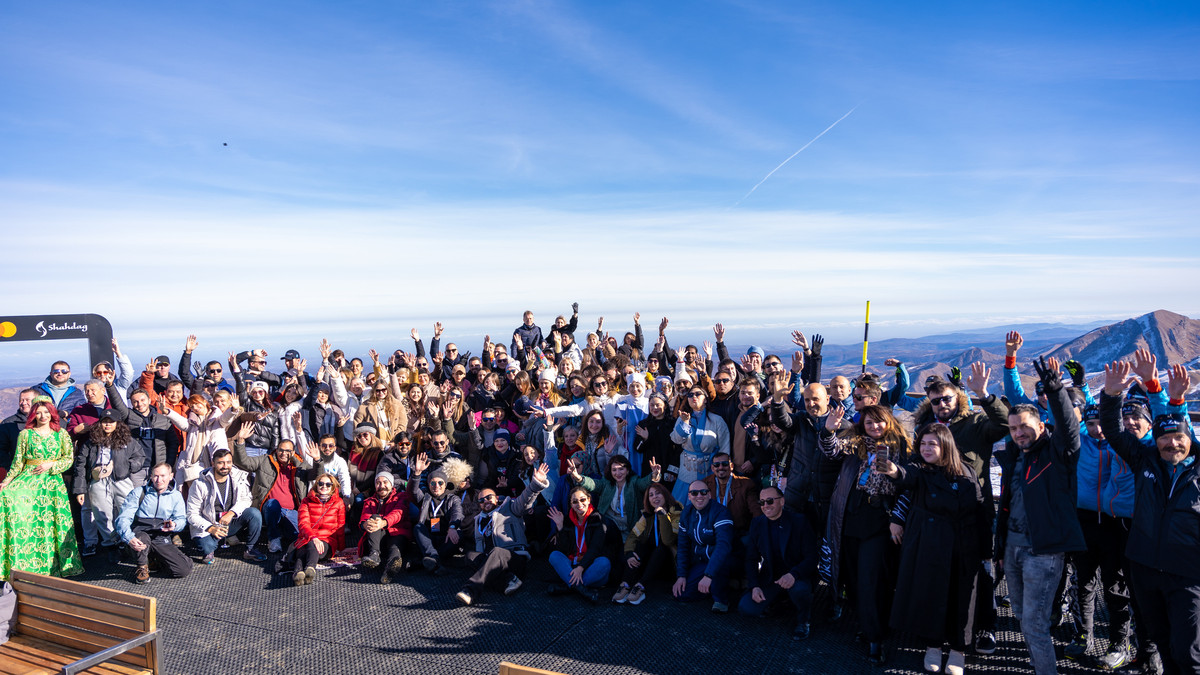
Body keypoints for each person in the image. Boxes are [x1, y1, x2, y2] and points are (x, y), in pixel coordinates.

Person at [1100, 361, 1200, 675]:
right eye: (1164, 438)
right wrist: (1111, 395)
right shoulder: (1145, 461)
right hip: (1144, 567)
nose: (1172, 442)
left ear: (1190, 438)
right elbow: (1114, 431)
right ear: (1154, 442)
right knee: (1161, 640)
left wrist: (1174, 399)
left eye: (1178, 437)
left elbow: (1177, 423)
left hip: (1188, 574)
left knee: (1189, 654)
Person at [995, 357, 1085, 675]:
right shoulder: (1016, 457)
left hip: (1043, 551)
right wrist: (1002, 550)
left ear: (1042, 426)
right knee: (1022, 616)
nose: (1019, 433)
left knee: (1034, 623)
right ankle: (1038, 663)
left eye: (1025, 427)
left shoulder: (1056, 454)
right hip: (1015, 548)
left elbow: (1070, 429)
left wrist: (1055, 387)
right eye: (1014, 428)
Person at [878, 424, 990, 675]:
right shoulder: (921, 470)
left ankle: (959, 650)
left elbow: (982, 511)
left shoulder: (967, 472)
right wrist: (892, 469)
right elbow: (905, 475)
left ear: (946, 445)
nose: (926, 449)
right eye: (923, 444)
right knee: (930, 594)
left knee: (962, 598)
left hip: (964, 545)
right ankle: (933, 646)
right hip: (930, 544)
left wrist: (987, 551)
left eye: (933, 444)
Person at [819, 404, 912, 664]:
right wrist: (829, 430)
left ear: (889, 422)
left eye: (879, 422)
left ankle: (876, 638)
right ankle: (866, 624)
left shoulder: (903, 449)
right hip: (850, 517)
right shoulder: (856, 445)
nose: (874, 427)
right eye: (869, 423)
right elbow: (830, 450)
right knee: (854, 577)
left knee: (873, 579)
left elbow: (908, 488)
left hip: (880, 520)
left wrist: (897, 519)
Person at [0, 398, 83, 579]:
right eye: (38, 412)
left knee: (52, 523)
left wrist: (51, 465)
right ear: (33, 415)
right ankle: (23, 563)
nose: (42, 416)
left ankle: (56, 565)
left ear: (52, 414)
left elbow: (69, 458)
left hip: (52, 483)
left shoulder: (61, 433)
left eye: (46, 412)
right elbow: (18, 462)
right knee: (15, 507)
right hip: (28, 480)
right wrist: (6, 482)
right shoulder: (25, 435)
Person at [455, 462, 551, 606]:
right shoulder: (478, 520)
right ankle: (508, 580)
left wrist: (536, 483)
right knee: (470, 556)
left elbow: (526, 499)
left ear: (496, 498)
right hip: (494, 561)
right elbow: (480, 546)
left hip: (515, 558)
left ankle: (470, 590)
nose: (485, 502)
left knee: (498, 551)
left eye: (488, 498)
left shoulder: (510, 508)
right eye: (481, 501)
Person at [739, 485, 818, 641]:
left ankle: (804, 620)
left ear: (782, 501)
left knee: (800, 591)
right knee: (746, 607)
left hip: (797, 575)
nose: (766, 506)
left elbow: (812, 557)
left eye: (770, 501)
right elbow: (751, 558)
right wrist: (754, 586)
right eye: (762, 503)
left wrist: (793, 574)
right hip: (771, 576)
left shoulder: (799, 522)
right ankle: (779, 601)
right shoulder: (757, 523)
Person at [72, 408, 144, 555]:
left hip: (121, 480)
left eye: (111, 422)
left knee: (128, 510)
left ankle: (127, 540)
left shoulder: (127, 440)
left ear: (118, 424)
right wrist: (80, 489)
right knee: (102, 515)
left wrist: (126, 467)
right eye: (105, 422)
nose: (108, 425)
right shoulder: (91, 442)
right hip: (98, 481)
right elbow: (80, 465)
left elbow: (140, 457)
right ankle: (111, 544)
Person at [231, 425, 310, 553]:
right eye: (281, 450)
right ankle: (273, 538)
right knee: (273, 504)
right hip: (269, 509)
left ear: (293, 452)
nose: (284, 453)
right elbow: (243, 462)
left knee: (297, 536)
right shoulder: (265, 460)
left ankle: (282, 532)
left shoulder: (300, 465)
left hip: (291, 511)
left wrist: (318, 461)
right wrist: (240, 441)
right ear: (276, 450)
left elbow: (316, 475)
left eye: (287, 451)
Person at [115, 463, 191, 584]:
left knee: (182, 570)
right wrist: (129, 538)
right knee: (141, 538)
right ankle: (142, 567)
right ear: (150, 477)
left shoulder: (176, 496)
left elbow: (182, 519)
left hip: (161, 535)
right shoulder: (138, 492)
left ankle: (154, 558)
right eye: (155, 476)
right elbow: (123, 518)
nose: (159, 480)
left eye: (163, 476)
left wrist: (175, 525)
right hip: (141, 531)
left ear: (171, 476)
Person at [186, 448, 265, 564]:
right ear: (213, 463)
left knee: (254, 513)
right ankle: (211, 549)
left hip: (229, 522)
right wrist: (210, 528)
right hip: (209, 525)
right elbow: (191, 514)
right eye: (220, 463)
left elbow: (246, 499)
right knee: (206, 548)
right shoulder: (199, 484)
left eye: (228, 462)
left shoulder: (238, 477)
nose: (225, 466)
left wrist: (231, 513)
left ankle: (251, 549)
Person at [612, 482, 681, 605]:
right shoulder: (647, 515)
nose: (655, 497)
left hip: (669, 563)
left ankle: (641, 586)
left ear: (665, 495)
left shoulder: (677, 512)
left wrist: (663, 516)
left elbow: (668, 540)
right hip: (650, 563)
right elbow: (633, 536)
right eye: (651, 495)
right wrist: (629, 553)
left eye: (658, 493)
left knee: (662, 548)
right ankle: (625, 584)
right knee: (639, 547)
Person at [673, 479, 735, 613]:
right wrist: (681, 575)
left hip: (724, 559)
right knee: (682, 594)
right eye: (694, 493)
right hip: (703, 561)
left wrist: (708, 576)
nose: (699, 496)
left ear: (709, 494)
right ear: (689, 496)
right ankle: (711, 588)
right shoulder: (687, 513)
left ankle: (721, 598)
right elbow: (683, 546)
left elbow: (723, 547)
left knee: (719, 566)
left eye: (703, 492)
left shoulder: (720, 512)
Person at [547, 487, 610, 604]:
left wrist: (581, 568)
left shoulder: (599, 519)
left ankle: (567, 586)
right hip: (572, 566)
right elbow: (564, 550)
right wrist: (560, 527)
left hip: (590, 568)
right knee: (554, 555)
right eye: (575, 501)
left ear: (589, 500)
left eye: (582, 500)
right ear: (570, 504)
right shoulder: (567, 520)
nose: (579, 504)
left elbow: (595, 549)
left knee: (604, 562)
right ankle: (583, 590)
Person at [669, 386, 730, 503]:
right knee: (681, 507)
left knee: (708, 502)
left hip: (709, 470)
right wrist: (685, 424)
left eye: (698, 394)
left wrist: (722, 469)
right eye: (690, 395)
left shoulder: (717, 420)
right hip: (687, 472)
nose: (694, 397)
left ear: (705, 399)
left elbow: (725, 447)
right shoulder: (682, 417)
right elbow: (676, 440)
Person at [409, 454, 463, 575]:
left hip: (445, 537)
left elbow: (457, 514)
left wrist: (453, 527)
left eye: (440, 483)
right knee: (418, 527)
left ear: (445, 485)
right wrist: (417, 473)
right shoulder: (425, 497)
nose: (436, 486)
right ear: (428, 485)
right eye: (432, 483)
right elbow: (412, 491)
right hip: (428, 539)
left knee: (459, 533)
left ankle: (428, 560)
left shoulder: (452, 499)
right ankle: (436, 560)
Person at [293, 473, 346, 586]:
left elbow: (340, 527)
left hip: (327, 540)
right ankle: (303, 572)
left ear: (333, 487)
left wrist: (341, 548)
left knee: (309, 547)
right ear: (316, 485)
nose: (324, 486)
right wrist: (313, 537)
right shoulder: (306, 501)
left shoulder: (339, 503)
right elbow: (303, 524)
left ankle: (305, 569)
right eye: (321, 483)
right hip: (308, 537)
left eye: (328, 484)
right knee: (306, 547)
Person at [358, 472, 410, 584]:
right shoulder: (369, 502)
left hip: (397, 534)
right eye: (378, 483)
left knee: (395, 545)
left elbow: (398, 513)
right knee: (373, 519)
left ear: (391, 484)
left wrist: (385, 522)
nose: (382, 486)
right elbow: (364, 518)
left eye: (385, 482)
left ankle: (390, 569)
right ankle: (374, 555)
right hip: (377, 539)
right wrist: (364, 524)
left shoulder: (400, 497)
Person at [0, 388, 35, 478]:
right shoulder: (8, 424)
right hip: (17, 474)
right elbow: (1, 450)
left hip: (44, 473)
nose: (23, 403)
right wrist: (11, 469)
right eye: (21, 400)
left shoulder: (47, 423)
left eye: (27, 400)